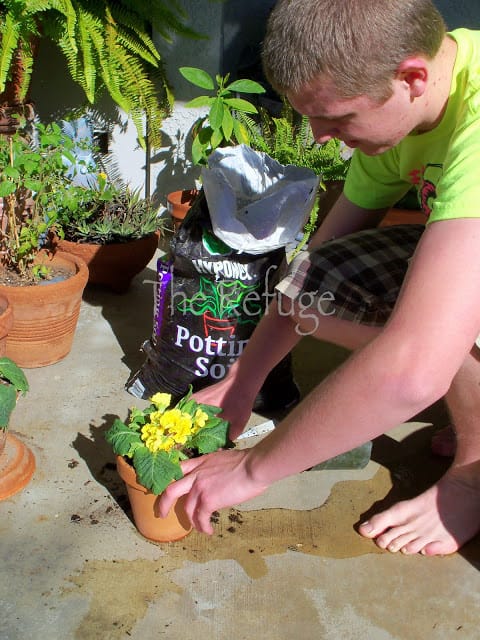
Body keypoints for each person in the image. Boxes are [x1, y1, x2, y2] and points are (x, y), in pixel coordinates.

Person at [158, 0, 480, 556]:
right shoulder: (405, 110)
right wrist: (243, 380)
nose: (320, 138)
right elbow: (312, 271)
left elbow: (411, 374)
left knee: (430, 344)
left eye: (337, 119)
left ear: (412, 77)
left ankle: (474, 473)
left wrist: (255, 468)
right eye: (312, 118)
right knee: (320, 286)